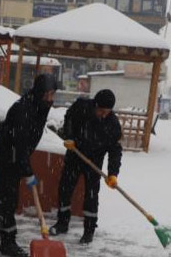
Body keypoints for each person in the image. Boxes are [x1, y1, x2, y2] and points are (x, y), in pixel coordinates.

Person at [0, 73, 58, 257]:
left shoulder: (38, 106)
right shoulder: (24, 110)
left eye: (52, 94)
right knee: (9, 199)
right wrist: (27, 172)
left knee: (5, 194)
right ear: (39, 92)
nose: (50, 98)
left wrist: (24, 167)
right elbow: (20, 144)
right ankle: (7, 242)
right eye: (47, 94)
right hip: (5, 158)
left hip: (14, 157)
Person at [50, 90, 123, 244]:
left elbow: (115, 151)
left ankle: (89, 231)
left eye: (107, 112)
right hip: (75, 156)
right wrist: (69, 136)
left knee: (91, 196)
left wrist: (113, 174)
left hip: (94, 162)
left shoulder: (112, 124)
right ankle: (62, 223)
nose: (104, 115)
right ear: (95, 105)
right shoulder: (81, 107)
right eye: (101, 111)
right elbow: (69, 118)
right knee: (65, 189)